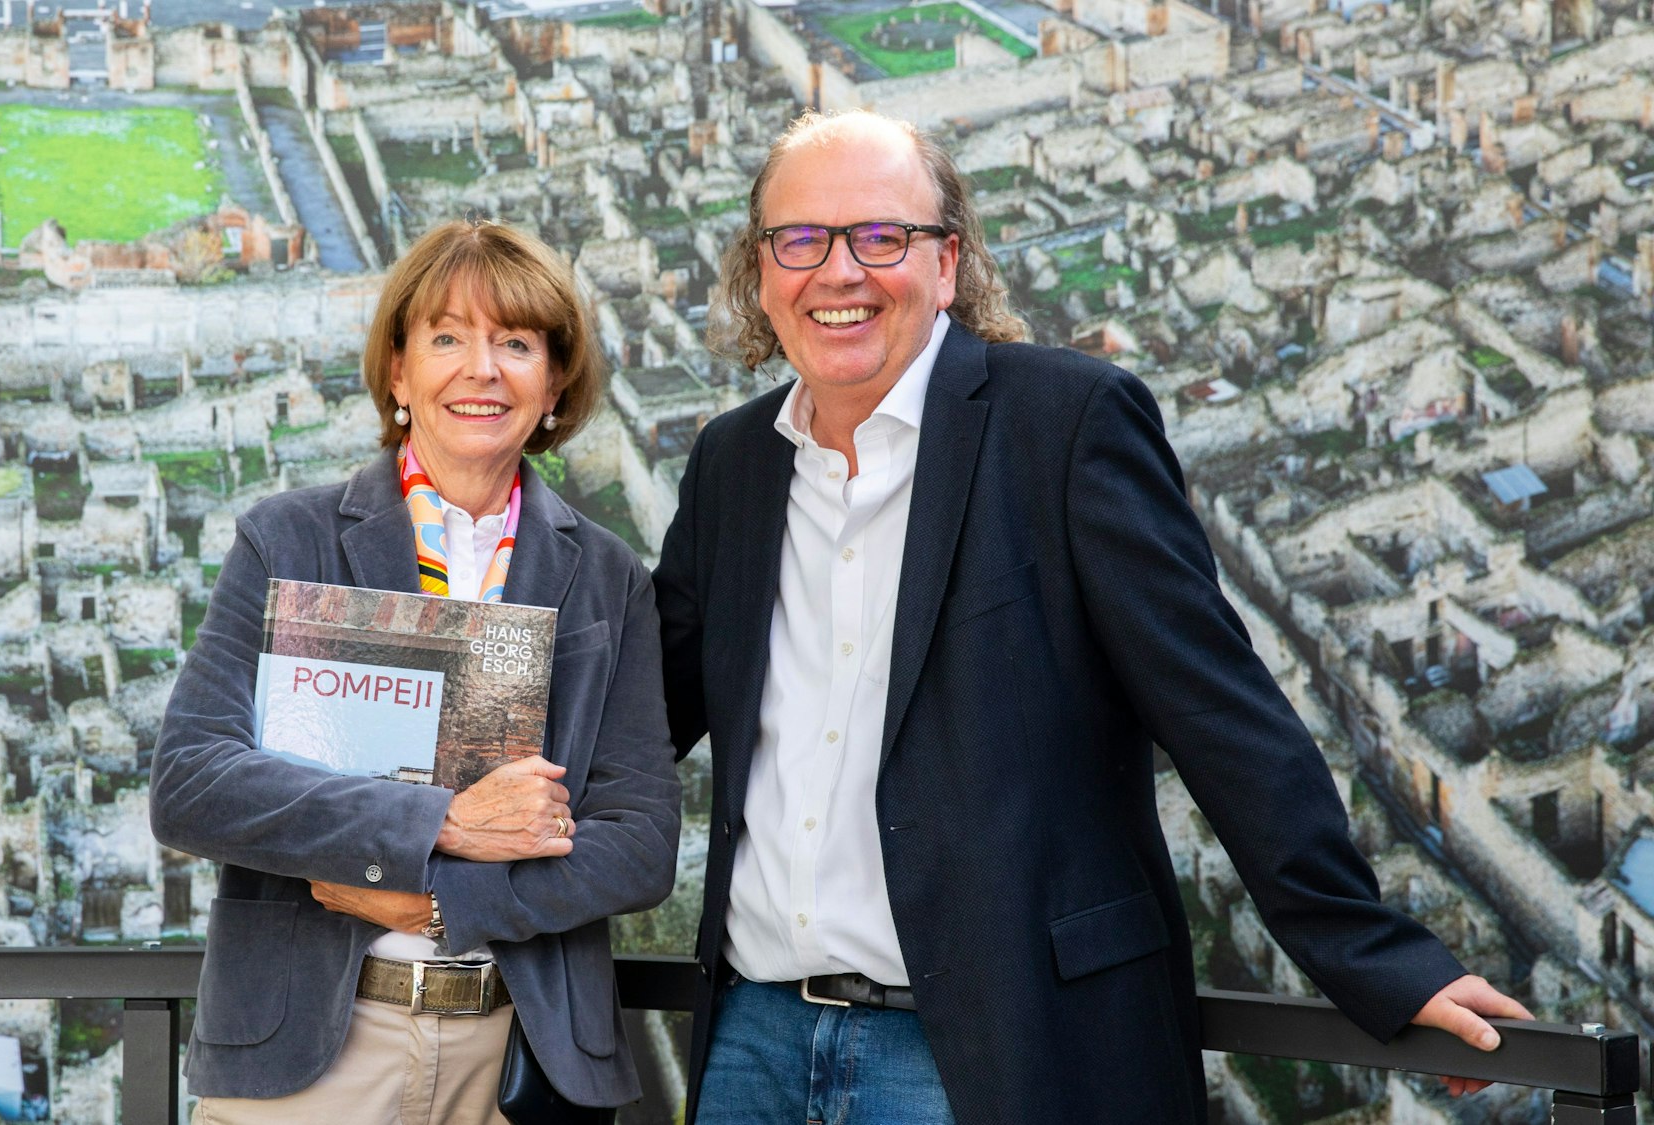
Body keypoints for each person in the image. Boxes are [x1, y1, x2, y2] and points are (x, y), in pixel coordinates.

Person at [650, 109, 1531, 1125]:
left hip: (996, 1047)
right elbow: (637, 713)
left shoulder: (1063, 424)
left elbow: (1217, 708)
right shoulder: (733, 465)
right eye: (798, 240)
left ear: (948, 264)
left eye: (880, 237)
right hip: (754, 1044)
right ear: (760, 274)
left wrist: (1375, 957)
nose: (837, 272)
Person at [152, 218, 681, 1124]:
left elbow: (638, 843)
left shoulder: (606, 576)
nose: (482, 369)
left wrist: (438, 895)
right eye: (447, 338)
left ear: (553, 381)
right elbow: (195, 784)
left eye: (515, 342)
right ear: (399, 372)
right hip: (310, 1056)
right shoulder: (289, 540)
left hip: (515, 1054)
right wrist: (448, 822)